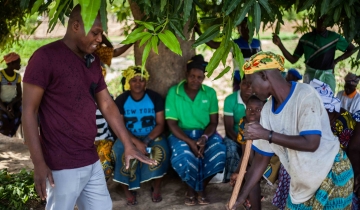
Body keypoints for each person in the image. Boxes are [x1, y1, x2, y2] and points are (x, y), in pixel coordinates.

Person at [22, 5, 156, 210]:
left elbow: (107, 104)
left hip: (90, 158)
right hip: (60, 163)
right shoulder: (44, 58)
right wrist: (38, 163)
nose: (100, 39)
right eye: (95, 33)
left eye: (101, 33)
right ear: (76, 26)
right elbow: (29, 112)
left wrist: (128, 144)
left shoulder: (92, 60)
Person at [229, 51, 353, 210]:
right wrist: (240, 197)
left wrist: (267, 135)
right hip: (302, 184)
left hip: (331, 175)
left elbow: (311, 142)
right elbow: (261, 159)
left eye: (251, 83)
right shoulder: (267, 111)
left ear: (264, 76)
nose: (251, 89)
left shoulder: (305, 95)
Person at [272, 79, 358, 210]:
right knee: (287, 170)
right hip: (309, 167)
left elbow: (343, 153)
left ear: (328, 110)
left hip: (334, 168)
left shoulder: (343, 123)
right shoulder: (304, 118)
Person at [165, 55, 226, 206]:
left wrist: (204, 138)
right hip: (181, 133)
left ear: (204, 77)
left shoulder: (209, 93)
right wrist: (190, 142)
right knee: (185, 157)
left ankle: (201, 188)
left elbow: (213, 122)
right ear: (186, 75)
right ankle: (191, 190)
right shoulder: (175, 92)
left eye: (200, 77)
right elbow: (171, 124)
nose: (195, 80)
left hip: (206, 133)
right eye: (192, 76)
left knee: (219, 152)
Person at [112, 66, 169, 205]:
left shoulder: (154, 97)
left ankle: (156, 188)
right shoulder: (121, 100)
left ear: (146, 81)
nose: (138, 83)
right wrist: (137, 142)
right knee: (119, 152)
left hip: (151, 135)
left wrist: (147, 140)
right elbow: (118, 126)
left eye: (141, 80)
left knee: (162, 150)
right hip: (127, 137)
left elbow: (161, 124)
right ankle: (127, 192)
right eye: (134, 80)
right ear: (128, 82)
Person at [273, 16, 355, 92]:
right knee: (309, 104)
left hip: (326, 77)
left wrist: (336, 61)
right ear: (315, 21)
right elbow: (293, 60)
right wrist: (280, 45)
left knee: (327, 104)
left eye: (325, 20)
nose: (322, 22)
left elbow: (352, 49)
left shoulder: (334, 38)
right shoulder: (306, 39)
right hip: (310, 77)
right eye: (320, 19)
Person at [195, 17, 261, 91]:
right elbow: (213, 44)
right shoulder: (234, 44)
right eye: (243, 28)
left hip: (256, 79)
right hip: (239, 79)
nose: (247, 30)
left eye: (249, 27)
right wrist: (199, 32)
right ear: (238, 29)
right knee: (237, 100)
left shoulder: (257, 43)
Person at [230, 95, 266, 210]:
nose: (253, 112)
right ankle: (249, 202)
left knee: (251, 175)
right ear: (245, 109)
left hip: (270, 162)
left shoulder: (267, 124)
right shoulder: (243, 124)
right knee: (242, 175)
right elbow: (245, 154)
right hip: (254, 161)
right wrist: (237, 172)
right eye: (249, 109)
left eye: (258, 110)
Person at [223, 76, 252, 182]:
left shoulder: (260, 100)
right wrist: (241, 142)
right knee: (231, 150)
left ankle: (252, 180)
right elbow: (229, 129)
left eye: (251, 84)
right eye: (245, 84)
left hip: (254, 137)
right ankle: (231, 179)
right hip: (234, 136)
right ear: (240, 85)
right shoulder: (230, 100)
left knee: (257, 153)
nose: (248, 87)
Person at [0, 52, 22, 137]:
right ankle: (7, 133)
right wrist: (6, 110)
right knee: (3, 118)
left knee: (21, 114)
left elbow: (19, 95)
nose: (20, 65)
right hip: (1, 104)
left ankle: (12, 134)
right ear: (12, 63)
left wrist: (11, 104)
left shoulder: (17, 76)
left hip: (13, 103)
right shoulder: (1, 75)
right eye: (18, 63)